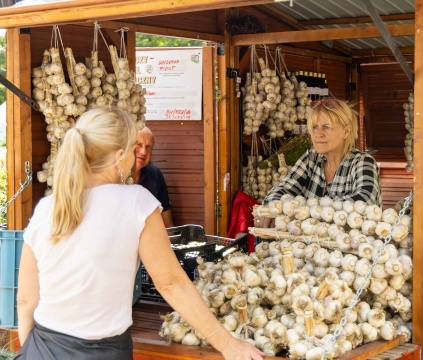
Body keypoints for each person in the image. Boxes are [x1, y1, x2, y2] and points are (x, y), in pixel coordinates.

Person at [16, 108, 264, 360]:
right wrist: (227, 344)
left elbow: (26, 300)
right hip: (103, 353)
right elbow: (170, 283)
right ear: (119, 156)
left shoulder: (47, 207)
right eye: (134, 148)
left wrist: (29, 350)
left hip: (40, 347)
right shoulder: (136, 202)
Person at [255, 98, 381, 228]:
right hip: (311, 246)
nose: (318, 134)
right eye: (315, 127)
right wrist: (271, 207)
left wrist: (308, 211)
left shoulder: (363, 162)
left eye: (326, 127)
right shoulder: (311, 158)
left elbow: (364, 201)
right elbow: (285, 188)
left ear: (346, 131)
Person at [132, 126, 174, 228]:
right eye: (139, 145)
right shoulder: (114, 176)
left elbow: (167, 224)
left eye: (148, 147)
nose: (143, 152)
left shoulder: (155, 175)